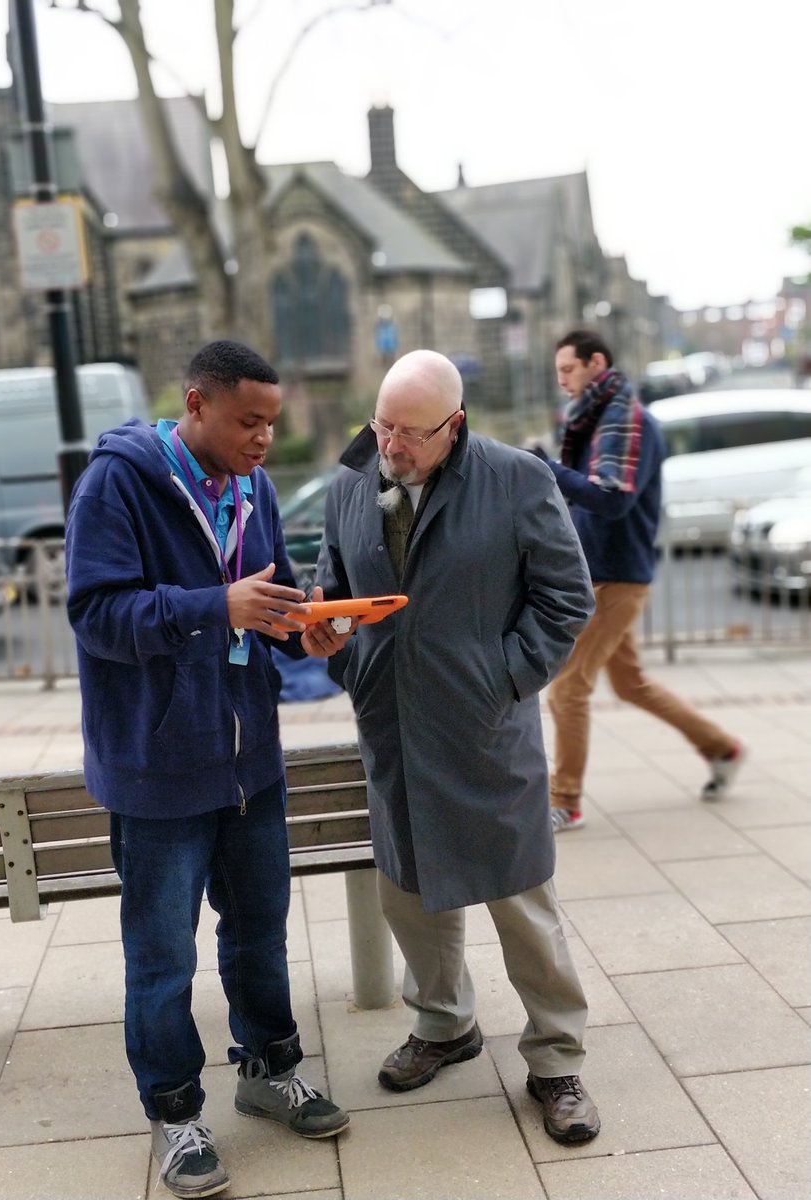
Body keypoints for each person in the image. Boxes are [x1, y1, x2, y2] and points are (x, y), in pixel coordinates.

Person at [65, 340, 350, 1200]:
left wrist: (309, 626)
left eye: (272, 420)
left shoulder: (253, 487)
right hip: (157, 765)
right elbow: (96, 614)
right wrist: (212, 606)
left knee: (260, 932)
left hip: (248, 760)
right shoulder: (116, 482)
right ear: (196, 405)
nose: (265, 438)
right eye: (248, 421)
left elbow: (275, 593)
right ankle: (175, 1111)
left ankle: (268, 1069)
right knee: (160, 959)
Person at [316, 349, 602, 1146]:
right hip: (394, 731)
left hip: (484, 730)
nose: (392, 447)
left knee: (521, 899)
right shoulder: (350, 478)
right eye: (382, 426)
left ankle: (557, 1060)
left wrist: (503, 678)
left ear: (456, 425)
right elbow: (328, 581)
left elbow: (566, 596)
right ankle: (443, 1025)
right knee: (408, 892)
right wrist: (337, 647)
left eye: (411, 433)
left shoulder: (515, 479)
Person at [543, 329, 745, 832]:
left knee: (567, 689)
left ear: (597, 363)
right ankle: (724, 747)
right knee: (630, 684)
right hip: (605, 571)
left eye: (568, 370)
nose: (563, 381)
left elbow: (613, 499)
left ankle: (564, 801)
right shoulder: (597, 421)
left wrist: (547, 471)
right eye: (559, 373)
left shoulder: (628, 421)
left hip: (617, 577)